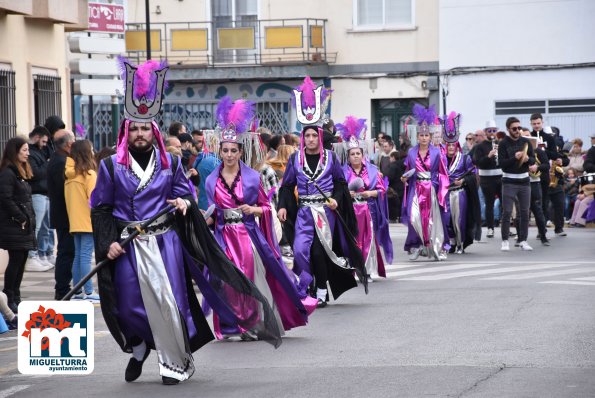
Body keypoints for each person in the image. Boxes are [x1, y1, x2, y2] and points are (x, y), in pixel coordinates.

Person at [91, 59, 281, 385]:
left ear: (154, 132)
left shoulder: (170, 164)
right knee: (128, 305)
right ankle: (138, 348)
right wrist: (107, 241)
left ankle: (173, 364)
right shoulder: (110, 167)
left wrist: (183, 202)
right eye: (133, 128)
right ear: (126, 131)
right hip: (129, 244)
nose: (139, 134)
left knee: (169, 304)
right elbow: (100, 208)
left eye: (145, 129)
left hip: (165, 243)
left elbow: (187, 196)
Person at [204, 96, 316, 340]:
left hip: (246, 235)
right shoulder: (211, 180)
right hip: (224, 236)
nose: (230, 154)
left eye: (234, 150)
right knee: (227, 280)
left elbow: (267, 207)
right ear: (220, 151)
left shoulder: (253, 178)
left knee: (248, 276)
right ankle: (233, 324)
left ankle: (253, 322)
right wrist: (205, 220)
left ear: (241, 151)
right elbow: (214, 211)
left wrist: (255, 211)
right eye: (226, 150)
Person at [277, 76, 367, 308]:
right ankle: (306, 284)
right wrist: (283, 206)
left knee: (319, 253)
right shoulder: (295, 159)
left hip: (326, 214)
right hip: (305, 212)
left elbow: (340, 183)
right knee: (299, 251)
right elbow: (287, 185)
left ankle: (319, 290)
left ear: (320, 136)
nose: (309, 139)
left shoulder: (332, 158)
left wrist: (336, 200)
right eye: (306, 135)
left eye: (313, 135)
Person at [335, 115, 393, 281]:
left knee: (368, 240)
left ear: (363, 154)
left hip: (368, 209)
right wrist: (348, 194)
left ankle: (366, 271)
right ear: (348, 155)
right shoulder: (342, 172)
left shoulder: (373, 171)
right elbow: (337, 190)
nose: (355, 156)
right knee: (352, 241)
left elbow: (382, 190)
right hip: (350, 210)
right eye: (352, 154)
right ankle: (353, 270)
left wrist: (370, 193)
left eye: (358, 153)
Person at [401, 104, 449, 261]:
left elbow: (443, 173)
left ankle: (435, 248)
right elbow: (408, 171)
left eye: (426, 135)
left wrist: (439, 189)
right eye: (421, 135)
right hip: (416, 188)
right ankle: (416, 246)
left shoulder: (437, 152)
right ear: (417, 137)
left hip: (431, 189)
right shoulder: (411, 152)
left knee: (432, 219)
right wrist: (404, 178)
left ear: (430, 136)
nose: (423, 138)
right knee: (414, 217)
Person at [0, 137, 37, 313]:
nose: (28, 153)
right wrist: (21, 217)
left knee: (21, 261)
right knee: (16, 261)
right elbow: (6, 198)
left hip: (23, 226)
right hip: (15, 225)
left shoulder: (20, 171)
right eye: (24, 150)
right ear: (15, 152)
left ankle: (16, 296)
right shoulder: (8, 172)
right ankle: (10, 296)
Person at [439, 112, 480, 254]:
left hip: (459, 193)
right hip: (445, 193)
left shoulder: (465, 159)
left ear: (457, 146)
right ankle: (450, 241)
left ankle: (461, 243)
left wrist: (463, 180)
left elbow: (473, 174)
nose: (450, 148)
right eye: (448, 145)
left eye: (453, 145)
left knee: (459, 219)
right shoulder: (440, 159)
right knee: (447, 219)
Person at [64, 140, 100, 302]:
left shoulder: (69, 175)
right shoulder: (89, 174)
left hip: (75, 221)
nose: (93, 151)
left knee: (78, 256)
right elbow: (94, 200)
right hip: (88, 220)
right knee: (85, 257)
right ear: (86, 152)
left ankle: (77, 292)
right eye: (91, 149)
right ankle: (89, 292)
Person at [47, 129, 76, 300]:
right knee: (66, 252)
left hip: (64, 214)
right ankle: (62, 289)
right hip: (65, 215)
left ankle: (64, 287)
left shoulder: (61, 159)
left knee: (68, 251)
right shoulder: (60, 161)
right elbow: (64, 189)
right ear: (68, 144)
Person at [499, 117, 535, 251]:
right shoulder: (503, 143)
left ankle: (523, 240)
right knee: (507, 212)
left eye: (519, 128)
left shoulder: (526, 141)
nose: (518, 131)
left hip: (524, 181)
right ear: (508, 129)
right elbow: (502, 165)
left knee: (525, 212)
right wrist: (514, 157)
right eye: (514, 128)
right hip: (509, 181)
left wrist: (527, 159)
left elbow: (532, 160)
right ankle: (504, 241)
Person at [26, 126, 54, 271]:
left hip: (45, 193)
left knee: (46, 228)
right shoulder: (31, 153)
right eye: (43, 141)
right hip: (37, 193)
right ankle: (32, 256)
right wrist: (48, 164)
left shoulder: (42, 151)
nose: (45, 144)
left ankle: (41, 254)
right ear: (37, 137)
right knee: (36, 227)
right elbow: (35, 173)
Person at [473, 120, 502, 238]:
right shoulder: (480, 146)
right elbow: (477, 162)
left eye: (494, 131)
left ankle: (505, 227)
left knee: (504, 203)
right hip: (486, 179)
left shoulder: (500, 144)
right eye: (489, 131)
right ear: (485, 132)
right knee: (489, 204)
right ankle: (490, 228)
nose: (492, 133)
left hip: (500, 177)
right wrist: (488, 156)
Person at [521, 131, 550, 246]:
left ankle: (543, 236)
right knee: (521, 213)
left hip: (534, 183)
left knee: (538, 211)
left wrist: (536, 166)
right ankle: (521, 238)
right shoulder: (519, 152)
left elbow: (547, 165)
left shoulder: (538, 151)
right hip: (521, 182)